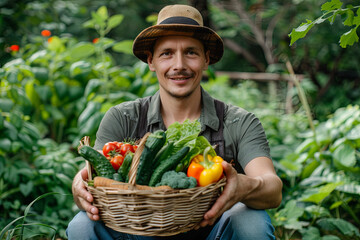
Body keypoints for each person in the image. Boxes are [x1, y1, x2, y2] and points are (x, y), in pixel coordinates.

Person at [67, 4, 283, 240]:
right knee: (82, 226)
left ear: (206, 60)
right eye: (167, 53)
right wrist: (79, 185)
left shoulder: (239, 122)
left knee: (251, 222)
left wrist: (243, 186)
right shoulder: (123, 118)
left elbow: (272, 189)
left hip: (213, 231)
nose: (179, 65)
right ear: (151, 62)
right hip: (140, 232)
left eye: (191, 52)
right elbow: (96, 174)